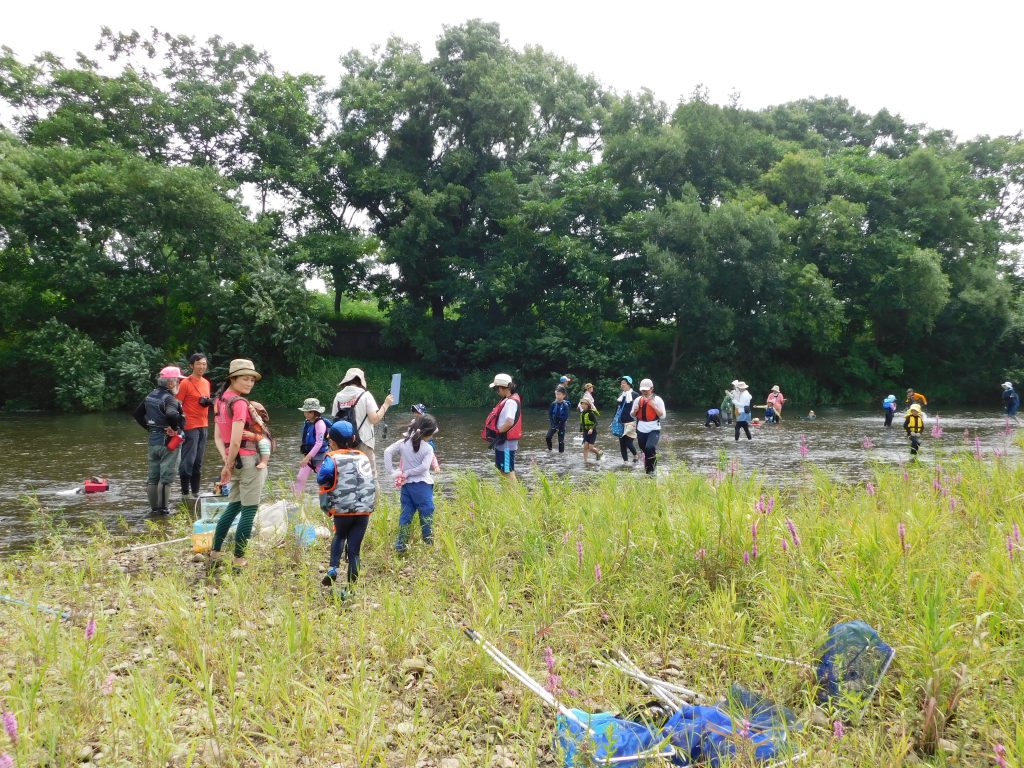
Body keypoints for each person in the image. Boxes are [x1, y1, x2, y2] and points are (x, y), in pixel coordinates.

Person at [210, 359, 267, 569]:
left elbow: (217, 437)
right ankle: (238, 558)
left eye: (252, 379)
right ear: (232, 378)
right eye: (245, 378)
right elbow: (236, 439)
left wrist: (227, 461)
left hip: (233, 460)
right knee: (249, 510)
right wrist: (229, 463)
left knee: (233, 506)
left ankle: (215, 552)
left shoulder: (219, 401)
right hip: (249, 460)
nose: (249, 383)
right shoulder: (240, 403)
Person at [318, 420, 376, 598]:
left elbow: (322, 478)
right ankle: (351, 590)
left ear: (332, 442)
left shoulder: (332, 458)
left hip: (343, 511)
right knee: (354, 551)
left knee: (340, 536)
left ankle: (333, 568)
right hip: (364, 512)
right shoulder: (363, 456)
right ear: (352, 438)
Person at [133, 366, 187, 515]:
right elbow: (172, 415)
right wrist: (175, 429)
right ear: (171, 383)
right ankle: (164, 511)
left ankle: (154, 510)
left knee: (153, 478)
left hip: (153, 441)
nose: (179, 385)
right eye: (179, 381)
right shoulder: (170, 399)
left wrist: (149, 428)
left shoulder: (150, 396)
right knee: (166, 478)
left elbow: (137, 414)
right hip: (169, 443)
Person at [384, 413, 439, 554]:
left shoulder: (403, 443)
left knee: (405, 515)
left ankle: (400, 546)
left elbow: (387, 452)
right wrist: (407, 473)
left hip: (406, 486)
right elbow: (424, 468)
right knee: (426, 513)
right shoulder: (428, 448)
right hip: (422, 486)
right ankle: (428, 544)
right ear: (428, 433)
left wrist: (393, 471)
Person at [332, 367, 393, 475]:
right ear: (360, 381)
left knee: (346, 474)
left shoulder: (338, 397)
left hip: (343, 442)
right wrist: (386, 404)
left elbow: (335, 421)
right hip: (364, 441)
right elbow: (374, 419)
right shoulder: (365, 395)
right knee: (369, 475)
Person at [175, 353, 212, 497]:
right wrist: (178, 422)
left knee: (198, 462)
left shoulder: (206, 382)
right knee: (188, 461)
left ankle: (195, 493)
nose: (202, 366)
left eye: (204, 363)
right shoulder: (185, 383)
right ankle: (185, 493)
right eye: (198, 363)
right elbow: (177, 404)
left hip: (204, 425)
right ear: (191, 366)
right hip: (190, 426)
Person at [483, 373, 522, 481]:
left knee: (507, 470)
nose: (497, 391)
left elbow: (509, 422)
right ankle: (507, 493)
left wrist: (497, 432)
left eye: (497, 388)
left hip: (507, 444)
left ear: (504, 387)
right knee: (502, 469)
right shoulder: (507, 399)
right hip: (503, 442)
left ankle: (514, 495)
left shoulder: (510, 402)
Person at [294, 398, 330, 495]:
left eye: (307, 412)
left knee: (323, 480)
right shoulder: (308, 422)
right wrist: (307, 457)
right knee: (300, 478)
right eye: (304, 412)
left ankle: (327, 501)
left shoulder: (320, 424)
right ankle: (297, 501)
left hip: (319, 457)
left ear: (313, 412)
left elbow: (319, 443)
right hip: (309, 456)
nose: (305, 414)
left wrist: (307, 458)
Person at [630, 379, 666, 475]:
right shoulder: (638, 400)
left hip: (654, 429)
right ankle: (648, 472)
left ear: (652, 389)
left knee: (650, 447)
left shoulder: (658, 400)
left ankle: (653, 471)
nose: (644, 392)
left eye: (646, 390)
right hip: (641, 429)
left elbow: (663, 416)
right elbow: (632, 415)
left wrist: (654, 407)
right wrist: (635, 411)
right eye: (642, 390)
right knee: (645, 451)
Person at [613, 376, 639, 463]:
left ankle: (635, 455)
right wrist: (613, 421)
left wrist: (639, 422)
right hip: (620, 422)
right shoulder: (621, 396)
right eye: (621, 383)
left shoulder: (635, 395)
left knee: (628, 442)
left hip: (631, 423)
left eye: (624, 383)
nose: (622, 384)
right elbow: (617, 409)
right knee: (622, 444)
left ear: (629, 384)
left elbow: (639, 409)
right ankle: (626, 463)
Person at [247, 401, 273, 470]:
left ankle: (264, 462)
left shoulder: (258, 422)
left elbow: (263, 436)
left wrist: (253, 436)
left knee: (264, 443)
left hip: (262, 440)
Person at [546, 386, 570, 453]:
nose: (557, 396)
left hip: (562, 425)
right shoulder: (553, 404)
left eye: (559, 394)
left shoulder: (565, 405)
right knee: (548, 437)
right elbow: (550, 414)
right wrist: (553, 424)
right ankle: (550, 450)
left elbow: (565, 417)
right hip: (554, 424)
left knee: (560, 441)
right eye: (556, 394)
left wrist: (559, 426)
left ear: (563, 395)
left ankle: (561, 455)